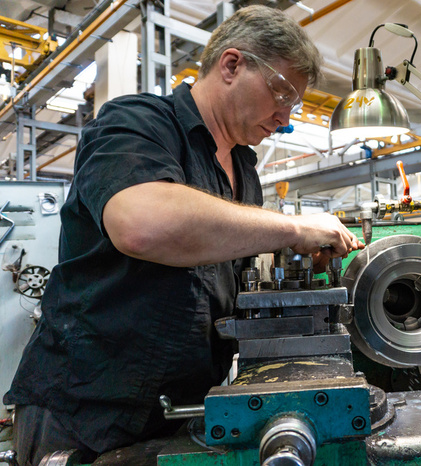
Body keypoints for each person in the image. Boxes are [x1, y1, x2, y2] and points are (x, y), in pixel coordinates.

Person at [4, 5, 362, 465]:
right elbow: (143, 225)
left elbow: (219, 267)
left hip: (183, 411)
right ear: (232, 65)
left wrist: (298, 269)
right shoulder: (137, 123)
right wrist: (292, 227)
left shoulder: (245, 171)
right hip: (87, 412)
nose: (287, 118)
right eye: (283, 93)